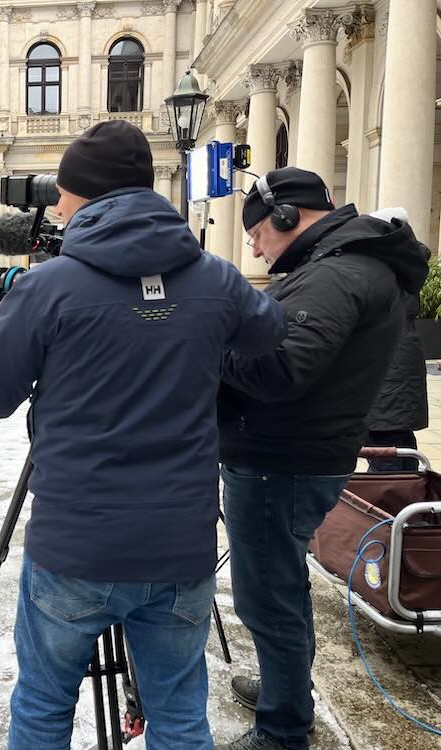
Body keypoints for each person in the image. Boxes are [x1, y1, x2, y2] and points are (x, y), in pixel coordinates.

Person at [0, 120, 288, 750]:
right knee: (180, 712)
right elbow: (269, 336)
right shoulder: (213, 276)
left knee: (46, 703)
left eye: (64, 192)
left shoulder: (50, 285)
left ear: (88, 198)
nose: (55, 203)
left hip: (76, 544)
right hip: (179, 543)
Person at [217, 168, 429, 750]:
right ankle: (288, 691)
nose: (255, 247)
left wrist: (210, 344)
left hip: (280, 459)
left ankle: (283, 728)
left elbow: (282, 367)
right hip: (292, 453)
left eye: (258, 231)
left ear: (288, 216)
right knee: (281, 586)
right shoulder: (341, 266)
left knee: (268, 597)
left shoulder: (338, 272)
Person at [364, 209, 431, 472]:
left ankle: (395, 510)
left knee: (387, 461)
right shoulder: (404, 268)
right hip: (395, 388)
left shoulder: (386, 272)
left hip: (387, 387)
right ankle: (406, 505)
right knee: (401, 452)